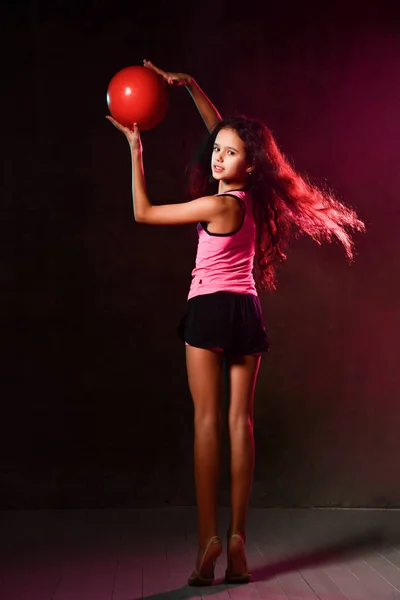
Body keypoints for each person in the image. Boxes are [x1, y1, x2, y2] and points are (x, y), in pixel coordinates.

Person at [106, 59, 365, 587]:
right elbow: (223, 133)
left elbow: (143, 213)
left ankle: (208, 544)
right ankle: (240, 544)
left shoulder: (215, 203)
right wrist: (194, 89)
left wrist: (135, 151)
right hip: (245, 311)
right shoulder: (254, 197)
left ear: (248, 164)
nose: (218, 156)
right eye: (217, 150)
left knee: (207, 423)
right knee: (239, 424)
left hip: (207, 309)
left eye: (229, 153)